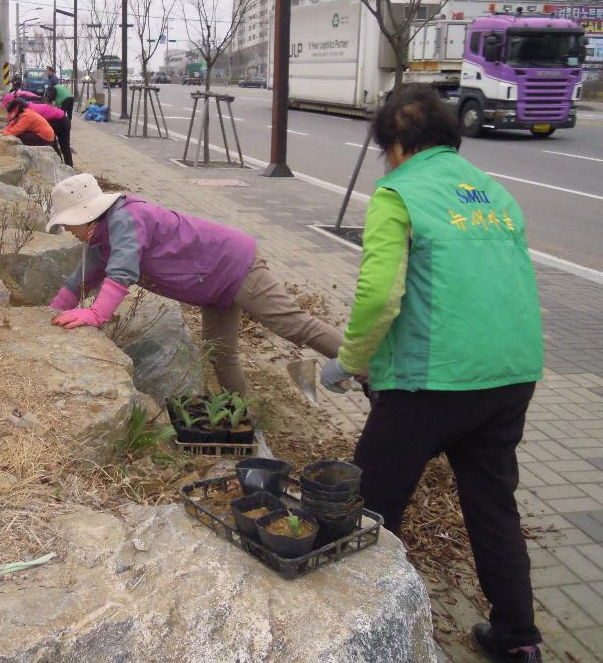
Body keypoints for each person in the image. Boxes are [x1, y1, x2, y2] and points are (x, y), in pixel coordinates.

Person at [319, 85, 544, 663]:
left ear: (395, 145)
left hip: (431, 382)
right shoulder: (493, 191)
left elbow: (380, 294)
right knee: (493, 507)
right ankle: (518, 639)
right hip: (511, 374)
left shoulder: (398, 192)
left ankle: (365, 632)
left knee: (372, 505)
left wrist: (350, 361)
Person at [44, 173, 341, 396]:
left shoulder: (126, 218)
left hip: (234, 266)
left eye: (67, 223)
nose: (67, 230)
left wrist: (96, 314)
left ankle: (362, 363)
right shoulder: (101, 240)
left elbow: (121, 271)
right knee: (220, 353)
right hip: (212, 287)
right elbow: (81, 280)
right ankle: (241, 415)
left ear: (85, 215)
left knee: (293, 325)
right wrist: (49, 316)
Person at [0, 94, 72, 166]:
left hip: (59, 121)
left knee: (63, 146)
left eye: (6, 106)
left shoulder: (26, 112)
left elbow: (17, 129)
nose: (6, 109)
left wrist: (4, 133)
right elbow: (14, 122)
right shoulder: (23, 107)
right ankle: (60, 164)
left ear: (10, 103)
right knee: (55, 143)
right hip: (55, 120)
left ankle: (64, 166)